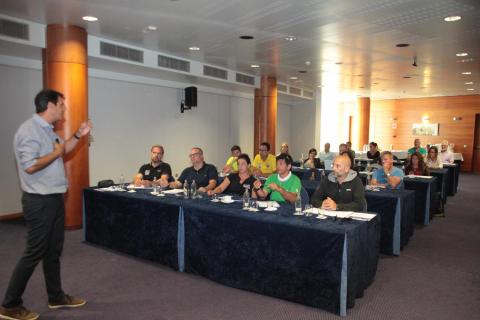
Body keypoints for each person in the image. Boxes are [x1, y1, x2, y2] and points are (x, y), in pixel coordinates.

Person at [1, 89, 89, 320]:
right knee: (34, 252)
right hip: (39, 202)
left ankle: (56, 296)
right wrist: (56, 152)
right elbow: (30, 165)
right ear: (50, 105)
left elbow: (64, 149)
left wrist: (79, 135)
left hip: (54, 199)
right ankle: (10, 305)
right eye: (61, 104)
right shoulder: (28, 131)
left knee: (53, 251)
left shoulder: (49, 131)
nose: (64, 109)